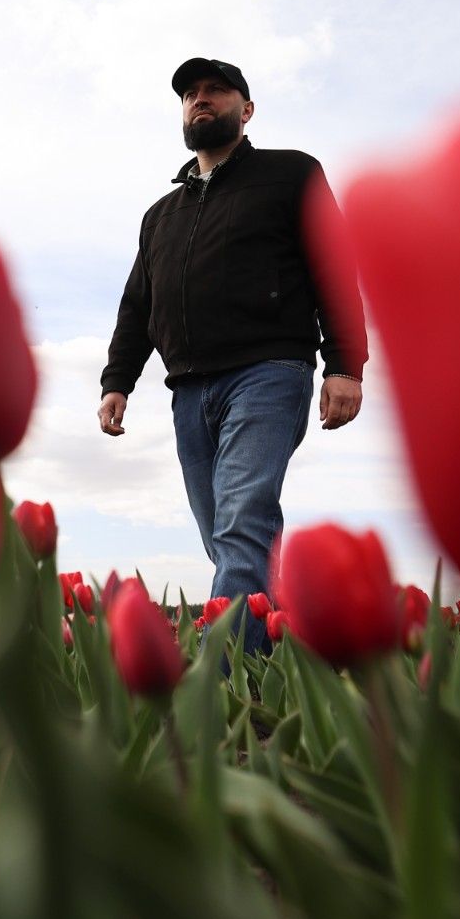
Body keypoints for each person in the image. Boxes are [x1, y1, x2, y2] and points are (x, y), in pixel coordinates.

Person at [98, 57, 367, 654]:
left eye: (216, 91)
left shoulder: (291, 175)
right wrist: (118, 380)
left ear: (245, 110)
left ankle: (225, 687)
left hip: (270, 371)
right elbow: (138, 302)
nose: (201, 100)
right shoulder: (160, 216)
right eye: (191, 94)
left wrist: (345, 364)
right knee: (224, 536)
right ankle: (284, 652)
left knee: (243, 518)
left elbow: (335, 266)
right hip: (189, 388)